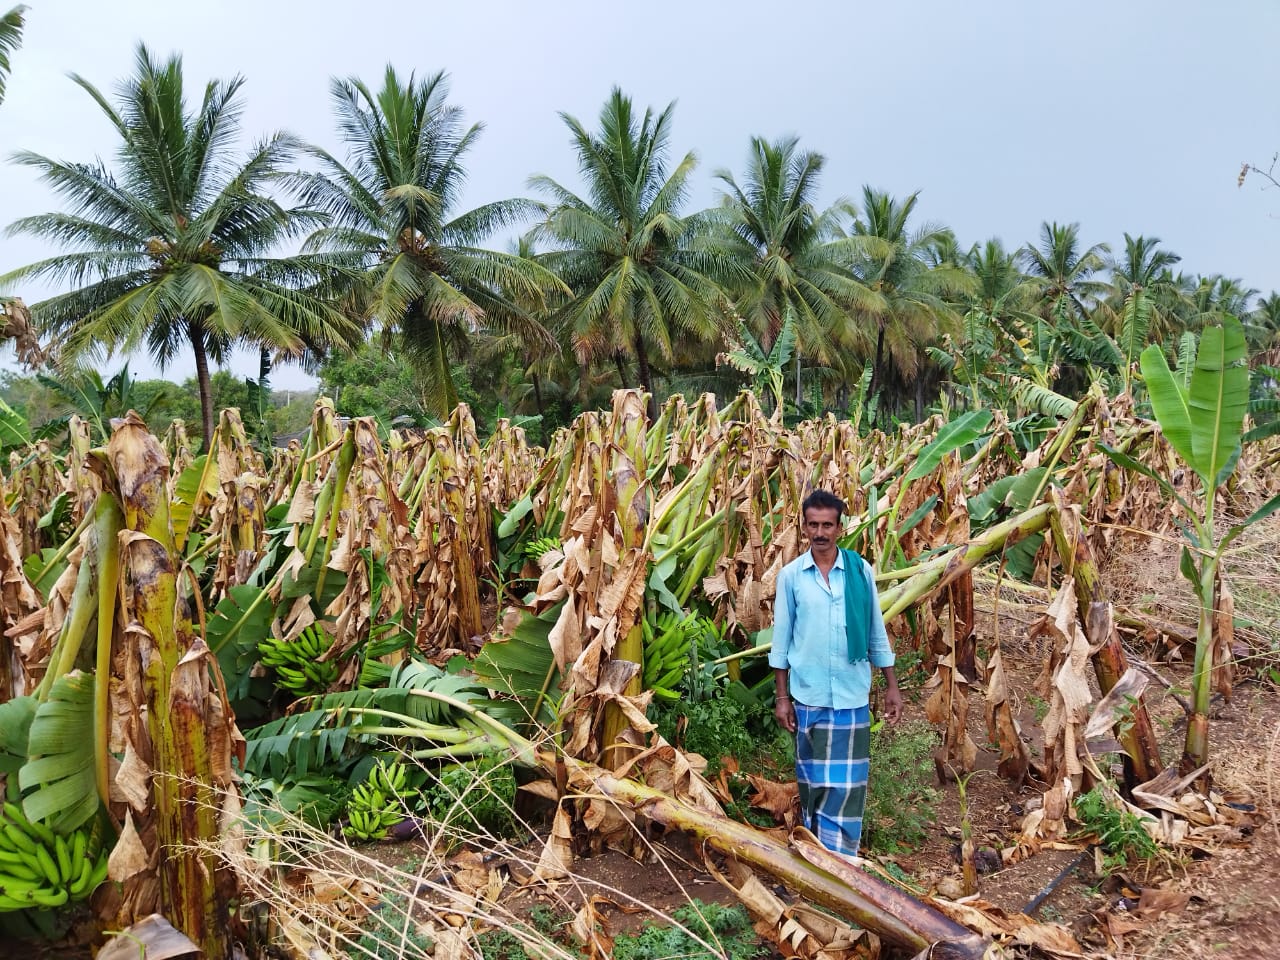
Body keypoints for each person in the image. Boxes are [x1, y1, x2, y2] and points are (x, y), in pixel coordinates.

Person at [769, 489, 900, 858]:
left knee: (847, 787)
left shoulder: (860, 572)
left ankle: (840, 859)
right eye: (813, 525)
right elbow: (781, 642)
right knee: (813, 785)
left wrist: (892, 685)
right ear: (804, 527)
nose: (820, 533)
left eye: (827, 525)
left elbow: (875, 631)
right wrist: (782, 698)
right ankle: (816, 857)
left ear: (839, 528)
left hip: (850, 695)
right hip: (808, 696)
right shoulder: (791, 577)